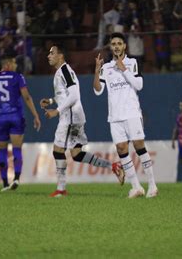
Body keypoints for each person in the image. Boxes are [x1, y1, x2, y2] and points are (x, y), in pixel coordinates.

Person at [40, 45, 125, 198]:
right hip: (75, 116)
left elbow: (73, 95)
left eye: (52, 53)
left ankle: (61, 189)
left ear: (61, 56)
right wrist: (52, 100)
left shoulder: (64, 71)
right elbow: (65, 94)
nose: (48, 56)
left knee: (58, 150)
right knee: (76, 154)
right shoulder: (63, 71)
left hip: (70, 117)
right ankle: (113, 166)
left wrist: (56, 111)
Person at [93, 32, 159, 198]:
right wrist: (96, 71)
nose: (116, 46)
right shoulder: (106, 67)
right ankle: (136, 187)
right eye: (113, 44)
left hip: (131, 113)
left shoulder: (132, 63)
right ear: (110, 47)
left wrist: (124, 69)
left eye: (119, 43)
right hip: (115, 116)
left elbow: (139, 85)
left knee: (138, 146)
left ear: (124, 46)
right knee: (121, 149)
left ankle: (152, 185)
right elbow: (97, 91)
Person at [0, 53, 41, 192]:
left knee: (2, 151)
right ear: (7, 65)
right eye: (14, 64)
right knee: (17, 149)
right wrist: (36, 115)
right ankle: (16, 178)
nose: (16, 66)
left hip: (1, 119)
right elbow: (27, 97)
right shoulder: (18, 77)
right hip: (16, 117)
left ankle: (5, 183)